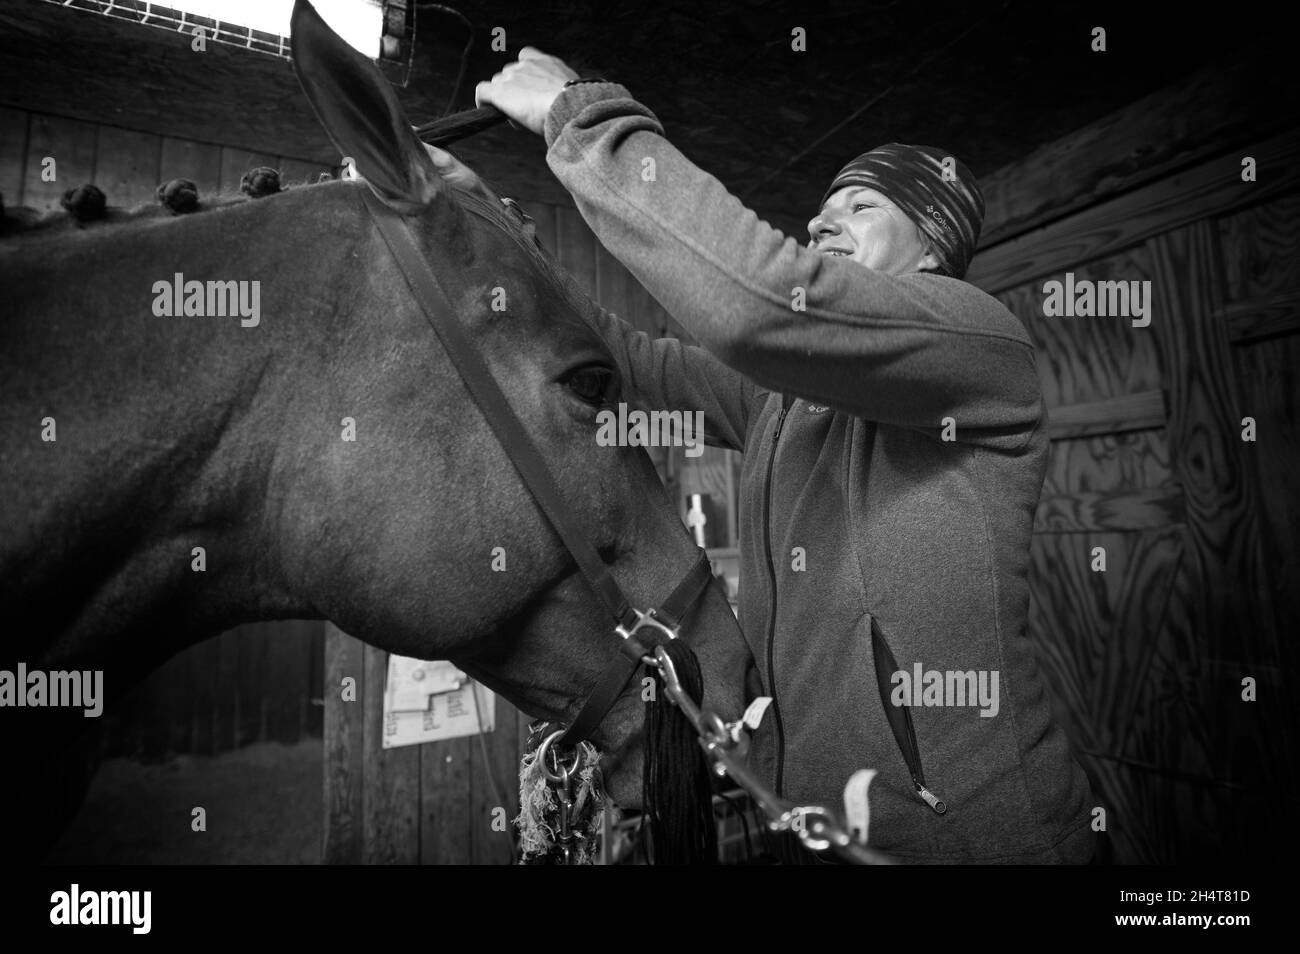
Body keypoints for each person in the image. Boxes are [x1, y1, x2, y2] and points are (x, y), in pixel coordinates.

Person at [468, 50, 1096, 863]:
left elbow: (759, 306)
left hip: (979, 844)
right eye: (823, 210)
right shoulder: (782, 400)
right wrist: (502, 246)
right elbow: (630, 362)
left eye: (860, 206)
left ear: (933, 247)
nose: (822, 222)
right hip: (819, 836)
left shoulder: (977, 345)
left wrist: (578, 116)